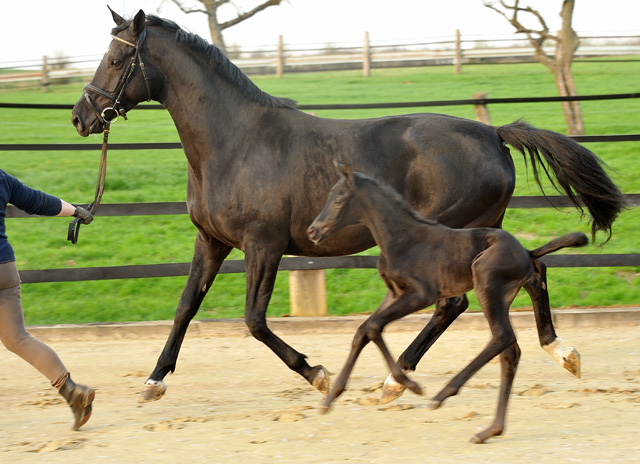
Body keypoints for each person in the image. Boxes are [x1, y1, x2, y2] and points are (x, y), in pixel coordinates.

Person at [0, 168, 95, 430]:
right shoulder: (1, 177)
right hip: (4, 268)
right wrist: (76, 210)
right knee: (17, 338)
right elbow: (36, 201)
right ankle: (71, 391)